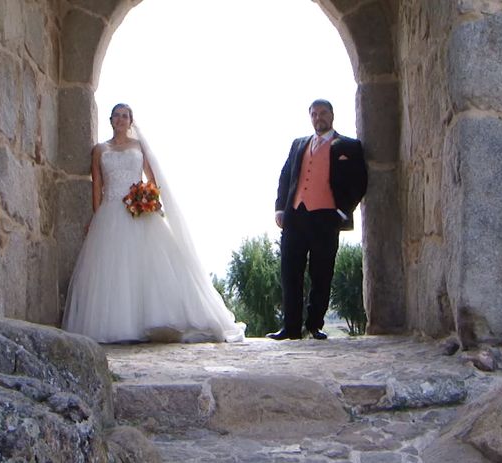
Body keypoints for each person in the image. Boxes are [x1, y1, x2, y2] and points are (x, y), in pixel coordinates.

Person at [62, 103, 245, 343]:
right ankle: (120, 325)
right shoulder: (99, 150)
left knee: (147, 265)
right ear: (110, 120)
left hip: (138, 211)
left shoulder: (139, 147)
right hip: (109, 213)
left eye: (125, 116)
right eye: (116, 116)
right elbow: (97, 186)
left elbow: (152, 178)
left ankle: (155, 320)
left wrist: (148, 198)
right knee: (114, 269)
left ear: (131, 121)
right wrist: (97, 217)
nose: (121, 119)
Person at [267, 99, 367, 340]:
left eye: (323, 113)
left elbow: (359, 181)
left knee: (321, 273)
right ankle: (290, 328)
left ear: (332, 115)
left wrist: (343, 212)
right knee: (290, 272)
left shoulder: (349, 146)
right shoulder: (298, 144)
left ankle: (314, 325)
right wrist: (280, 208)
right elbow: (285, 176)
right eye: (314, 114)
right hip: (296, 215)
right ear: (310, 117)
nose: (318, 117)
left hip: (326, 217)